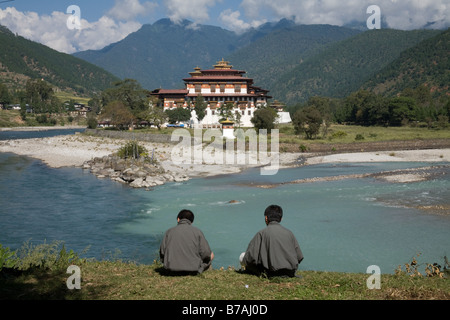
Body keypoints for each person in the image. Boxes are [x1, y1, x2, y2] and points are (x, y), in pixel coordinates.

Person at [240, 205, 304, 277]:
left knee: (242, 256)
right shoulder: (289, 233)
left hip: (270, 273)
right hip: (290, 272)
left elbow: (250, 257)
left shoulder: (261, 233)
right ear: (281, 219)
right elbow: (299, 257)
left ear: (266, 218)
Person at [159, 209, 214, 275]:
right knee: (211, 254)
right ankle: (201, 270)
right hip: (193, 271)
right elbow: (206, 253)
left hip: (170, 270)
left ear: (178, 219)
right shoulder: (197, 232)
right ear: (191, 222)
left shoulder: (169, 232)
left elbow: (162, 253)